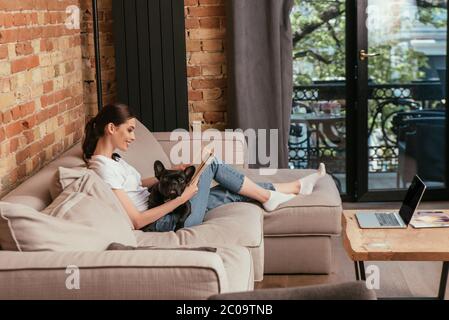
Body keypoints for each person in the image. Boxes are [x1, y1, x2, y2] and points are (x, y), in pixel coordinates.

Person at [82, 103, 326, 232]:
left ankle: (291, 187)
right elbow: (136, 221)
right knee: (213, 162)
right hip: (167, 220)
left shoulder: (113, 160)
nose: (133, 137)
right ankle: (269, 195)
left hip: (165, 206)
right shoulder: (102, 169)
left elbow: (136, 186)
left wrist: (174, 171)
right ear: (111, 128)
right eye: (130, 130)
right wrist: (181, 199)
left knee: (229, 192)